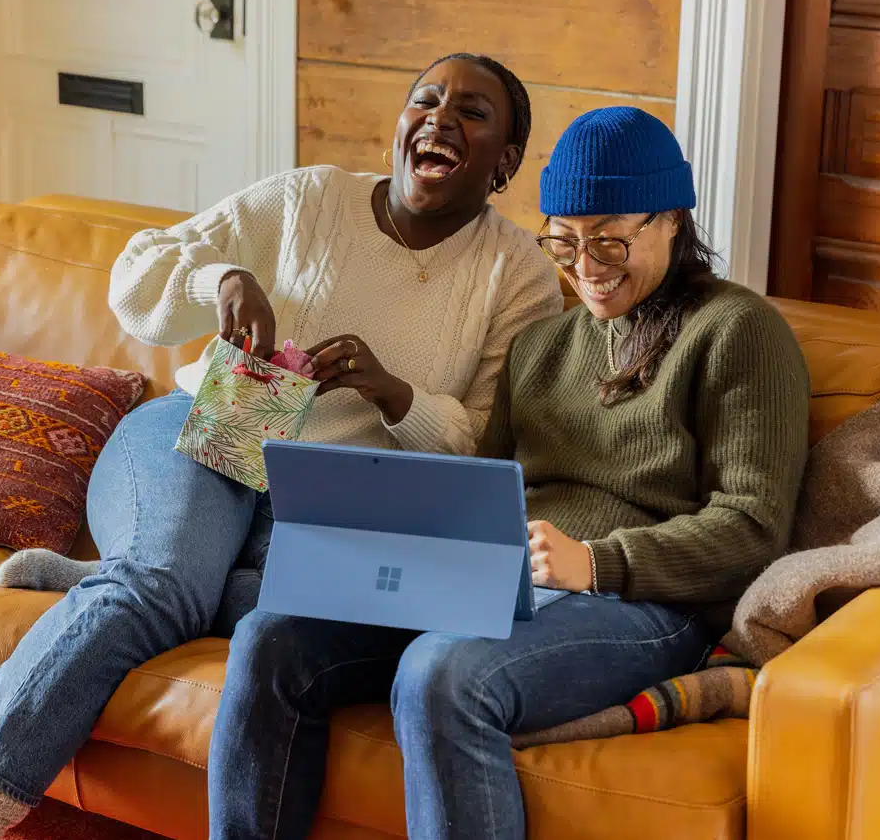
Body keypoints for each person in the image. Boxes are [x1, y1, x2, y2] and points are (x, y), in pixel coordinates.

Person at [0, 52, 563, 840]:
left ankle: (104, 577)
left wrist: (392, 392)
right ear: (401, 125)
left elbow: (481, 443)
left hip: (335, 495)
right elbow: (136, 278)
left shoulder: (521, 277)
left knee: (287, 612)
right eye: (426, 101)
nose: (440, 118)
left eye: (472, 113)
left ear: (504, 161)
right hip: (205, 427)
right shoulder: (309, 199)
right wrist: (223, 281)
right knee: (164, 585)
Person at [206, 107, 812, 840]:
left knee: (443, 673)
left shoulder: (740, 331)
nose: (586, 268)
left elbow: (753, 526)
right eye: (565, 242)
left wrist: (598, 562)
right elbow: (484, 491)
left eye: (611, 241)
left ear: (672, 221)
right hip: (504, 582)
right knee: (272, 635)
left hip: (645, 602)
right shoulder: (541, 348)